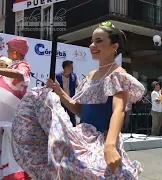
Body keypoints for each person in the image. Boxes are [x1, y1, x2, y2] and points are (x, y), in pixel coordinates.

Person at [11, 21, 144, 179]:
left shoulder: (118, 74)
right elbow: (79, 109)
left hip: (101, 139)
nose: (92, 45)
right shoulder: (90, 76)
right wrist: (59, 91)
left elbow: (118, 111)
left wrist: (109, 146)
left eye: (99, 41)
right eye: (92, 41)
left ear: (114, 47)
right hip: (82, 135)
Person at [0, 37, 30, 179]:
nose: (7, 52)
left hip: (10, 124)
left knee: (10, 159)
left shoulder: (23, 65)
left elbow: (20, 75)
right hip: (2, 122)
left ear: (15, 53)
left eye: (9, 50)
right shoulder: (10, 67)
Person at [56, 60, 80, 127]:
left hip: (70, 101)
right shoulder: (57, 76)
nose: (73, 68)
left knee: (72, 118)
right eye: (71, 67)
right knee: (60, 118)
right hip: (60, 101)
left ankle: (73, 133)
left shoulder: (74, 76)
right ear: (66, 68)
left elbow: (79, 86)